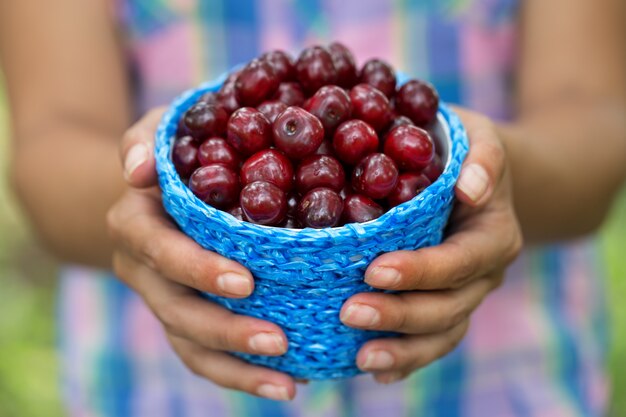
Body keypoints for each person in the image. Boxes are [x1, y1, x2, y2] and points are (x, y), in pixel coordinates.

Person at [1, 0, 624, 415]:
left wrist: (495, 175)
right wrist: (138, 210)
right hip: (161, 387)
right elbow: (49, 145)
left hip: (501, 384)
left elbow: (594, 125)